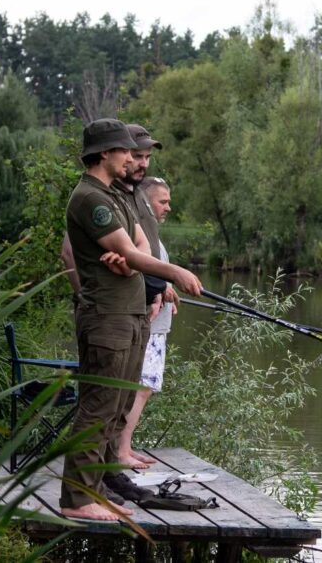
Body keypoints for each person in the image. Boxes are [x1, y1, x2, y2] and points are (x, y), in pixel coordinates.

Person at [59, 118, 201, 522]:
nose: (132, 158)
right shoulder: (92, 199)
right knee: (98, 407)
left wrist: (129, 266)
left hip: (132, 311)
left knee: (118, 404)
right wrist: (174, 272)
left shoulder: (115, 195)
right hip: (107, 315)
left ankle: (96, 487)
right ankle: (76, 500)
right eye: (125, 151)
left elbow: (138, 245)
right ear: (105, 153)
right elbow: (129, 247)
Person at [118, 177, 175, 467]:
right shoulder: (137, 230)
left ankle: (123, 447)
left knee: (142, 388)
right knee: (140, 388)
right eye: (162, 201)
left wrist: (166, 289)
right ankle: (121, 451)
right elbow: (141, 272)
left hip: (156, 326)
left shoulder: (150, 234)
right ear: (146, 201)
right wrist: (159, 290)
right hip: (149, 327)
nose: (168, 207)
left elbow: (155, 276)